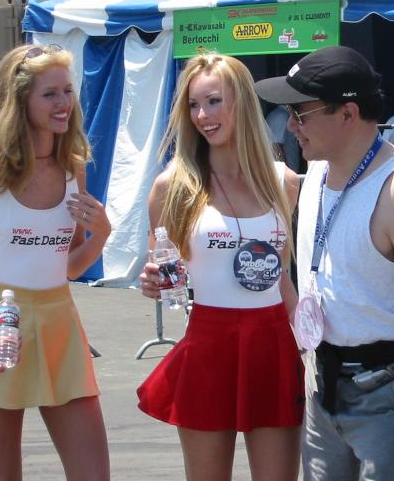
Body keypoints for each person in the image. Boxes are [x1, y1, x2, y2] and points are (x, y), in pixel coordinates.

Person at [254, 45, 394, 481]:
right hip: (325, 385)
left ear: (348, 114)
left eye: (300, 113)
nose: (290, 126)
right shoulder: (317, 173)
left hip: (392, 396)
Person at [136, 52, 303, 481]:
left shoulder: (283, 181)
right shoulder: (172, 187)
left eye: (213, 101)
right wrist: (153, 282)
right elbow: (164, 268)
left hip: (273, 344)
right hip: (208, 343)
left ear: (242, 103)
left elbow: (281, 274)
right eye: (194, 105)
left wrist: (308, 337)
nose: (202, 116)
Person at [0, 44, 112, 480]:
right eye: (50, 94)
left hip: (60, 325)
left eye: (67, 91)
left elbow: (71, 266)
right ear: (19, 100)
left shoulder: (73, 166)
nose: (64, 104)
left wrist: (103, 234)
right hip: (0, 326)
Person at [266, 104, 302, 172]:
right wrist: (286, 174)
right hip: (283, 175)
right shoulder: (281, 115)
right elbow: (276, 148)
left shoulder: (283, 115)